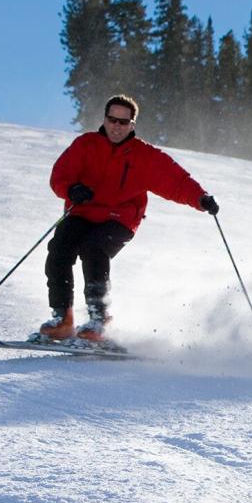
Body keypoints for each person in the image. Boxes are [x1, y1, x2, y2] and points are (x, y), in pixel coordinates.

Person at [36, 94, 219, 342]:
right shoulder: (85, 145)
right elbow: (60, 175)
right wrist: (72, 190)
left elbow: (175, 181)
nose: (116, 126)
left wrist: (201, 198)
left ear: (132, 125)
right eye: (112, 120)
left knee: (94, 248)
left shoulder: (144, 156)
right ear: (104, 119)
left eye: (123, 122)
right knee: (59, 247)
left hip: (120, 217)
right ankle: (62, 318)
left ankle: (98, 320)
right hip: (82, 211)